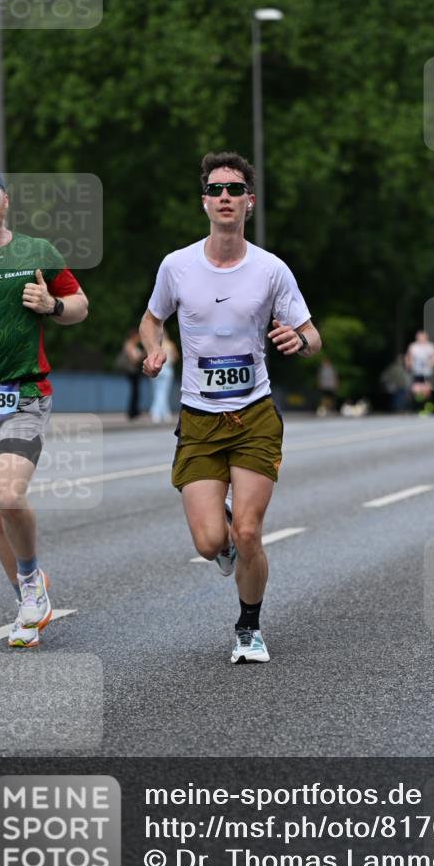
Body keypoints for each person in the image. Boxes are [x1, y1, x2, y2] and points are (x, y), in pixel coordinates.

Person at [139, 151, 321, 664]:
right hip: (198, 418)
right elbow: (151, 319)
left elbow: (312, 335)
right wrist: (152, 348)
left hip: (255, 416)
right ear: (204, 202)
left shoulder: (271, 270)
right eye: (216, 189)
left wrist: (298, 341)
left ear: (249, 202)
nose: (225, 197)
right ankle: (223, 540)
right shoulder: (176, 266)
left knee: (247, 531)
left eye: (235, 190)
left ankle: (248, 628)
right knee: (209, 541)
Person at [0, 165, 88, 648]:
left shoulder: (37, 252)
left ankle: (31, 583)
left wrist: (51, 304)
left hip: (26, 395)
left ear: (6, 201)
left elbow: (80, 306)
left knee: (9, 497)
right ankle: (27, 600)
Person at [149, 327, 179, 423]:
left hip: (156, 369)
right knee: (163, 393)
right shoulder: (170, 344)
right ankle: (158, 413)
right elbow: (175, 357)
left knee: (158, 392)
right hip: (167, 370)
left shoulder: (154, 345)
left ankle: (163, 414)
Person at [118, 327, 146, 419]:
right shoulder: (129, 345)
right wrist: (143, 354)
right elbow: (133, 360)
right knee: (134, 392)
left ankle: (135, 411)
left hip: (134, 372)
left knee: (136, 392)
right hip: (131, 371)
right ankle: (132, 412)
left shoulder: (133, 345)